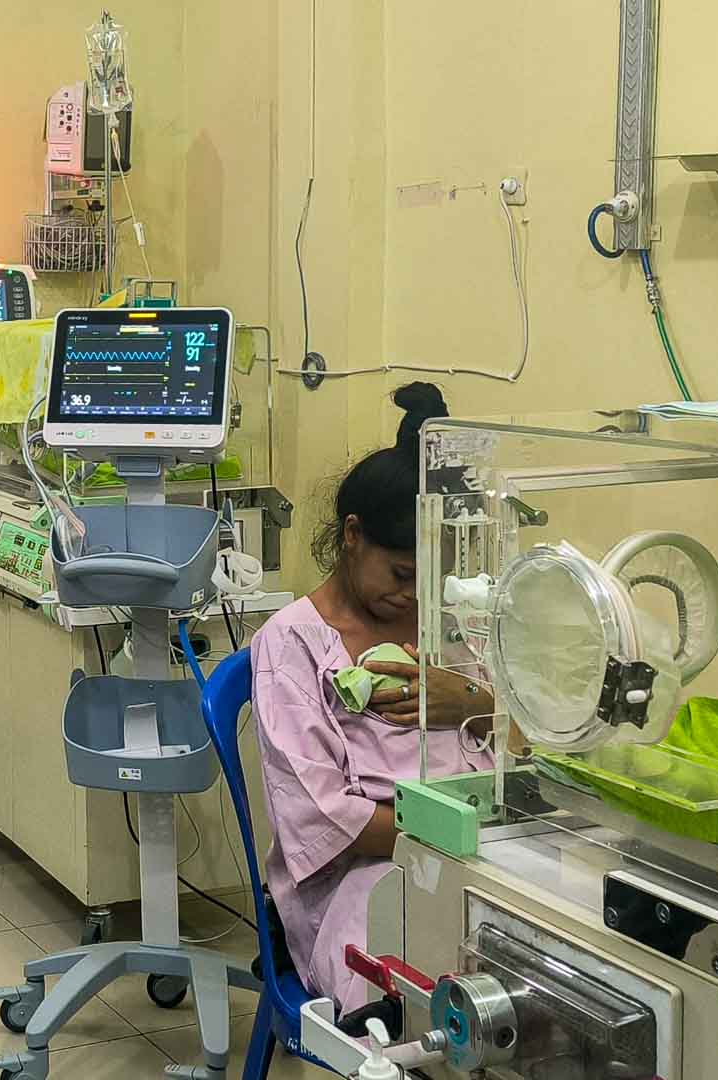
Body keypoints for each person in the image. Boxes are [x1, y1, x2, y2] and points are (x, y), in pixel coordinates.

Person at [250, 382, 501, 1014]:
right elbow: (322, 814)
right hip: (367, 874)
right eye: (401, 576)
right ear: (352, 536)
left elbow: (527, 734)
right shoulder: (292, 647)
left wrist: (468, 699)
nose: (416, 598)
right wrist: (447, 843)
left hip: (485, 847)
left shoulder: (451, 625)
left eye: (432, 576)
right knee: (413, 990)